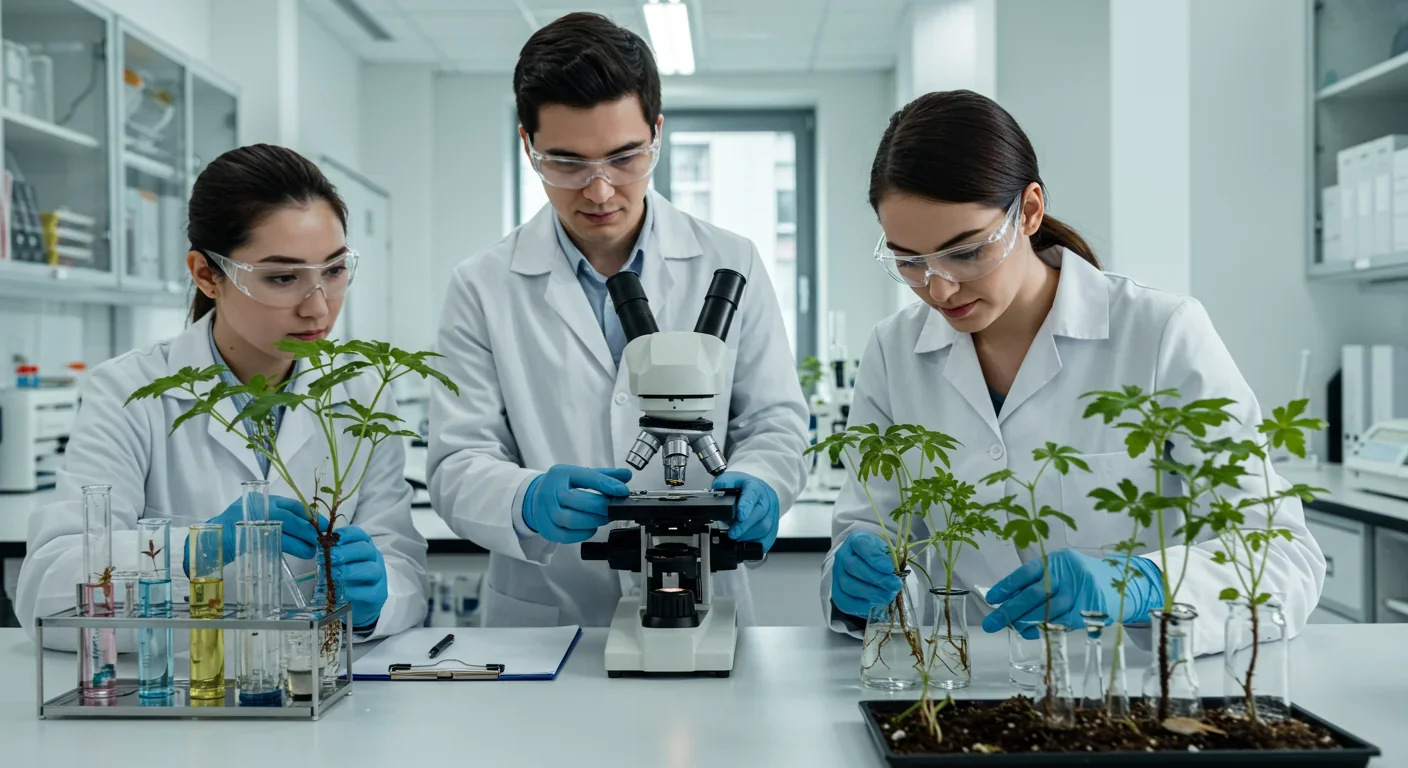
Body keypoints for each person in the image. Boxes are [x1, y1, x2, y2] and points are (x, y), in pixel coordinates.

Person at [821, 90, 1324, 656]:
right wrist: (856, 575)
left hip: (1122, 679)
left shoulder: (1160, 333)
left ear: (1030, 211)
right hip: (956, 679)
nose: (938, 288)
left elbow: (1284, 558)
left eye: (965, 252)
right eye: (910, 261)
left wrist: (1142, 584)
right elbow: (874, 532)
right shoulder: (894, 351)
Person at [428, 12, 809, 628]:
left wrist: (761, 478)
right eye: (567, 162)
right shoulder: (482, 285)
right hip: (545, 618)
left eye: (625, 157)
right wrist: (524, 499)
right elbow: (456, 462)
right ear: (528, 146)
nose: (600, 190)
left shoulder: (730, 261)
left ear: (656, 134)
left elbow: (775, 421)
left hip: (706, 595)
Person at [16, 144, 429, 646]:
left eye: (334, 271)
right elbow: (46, 593)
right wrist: (195, 550)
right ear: (207, 274)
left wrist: (375, 604)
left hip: (321, 681)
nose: (318, 309)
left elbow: (403, 570)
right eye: (282, 277)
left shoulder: (360, 394)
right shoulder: (128, 392)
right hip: (185, 685)